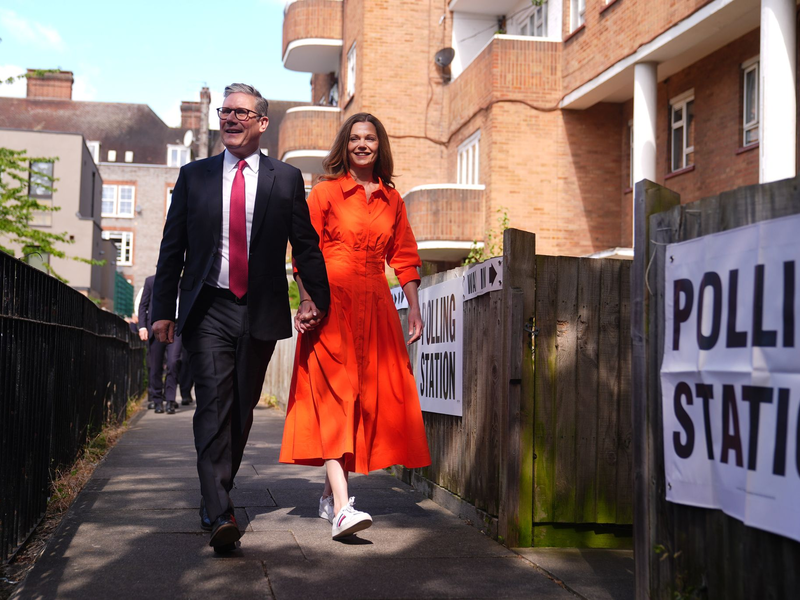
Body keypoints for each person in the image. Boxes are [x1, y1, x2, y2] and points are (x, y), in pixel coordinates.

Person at [150, 83, 329, 553]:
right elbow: (173, 249)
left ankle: (217, 493)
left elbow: (305, 245)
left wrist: (316, 299)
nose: (229, 119)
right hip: (207, 305)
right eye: (225, 112)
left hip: (260, 308)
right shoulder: (195, 176)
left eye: (241, 113)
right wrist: (163, 312)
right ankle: (219, 509)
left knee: (242, 409)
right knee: (212, 403)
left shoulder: (286, 179)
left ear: (261, 123)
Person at [279, 113, 431, 540]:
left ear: (379, 146)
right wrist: (308, 299)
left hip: (377, 307)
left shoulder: (392, 199)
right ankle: (344, 508)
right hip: (332, 306)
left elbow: (404, 256)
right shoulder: (325, 192)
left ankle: (329, 498)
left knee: (361, 399)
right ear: (344, 146)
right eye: (355, 139)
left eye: (369, 139)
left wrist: (414, 309)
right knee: (334, 398)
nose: (362, 145)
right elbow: (303, 252)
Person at [138, 274, 181, 414]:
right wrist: (142, 326)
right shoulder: (150, 281)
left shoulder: (182, 281)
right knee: (155, 366)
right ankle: (157, 400)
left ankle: (170, 400)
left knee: (173, 362)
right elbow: (143, 304)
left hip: (176, 327)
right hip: (156, 327)